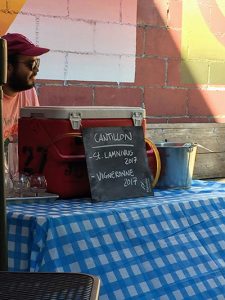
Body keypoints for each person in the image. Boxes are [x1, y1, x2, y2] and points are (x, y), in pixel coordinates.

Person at [1, 33, 49, 144]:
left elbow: (35, 135)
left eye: (38, 63)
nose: (36, 70)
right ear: (8, 68)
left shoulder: (28, 92)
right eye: (32, 64)